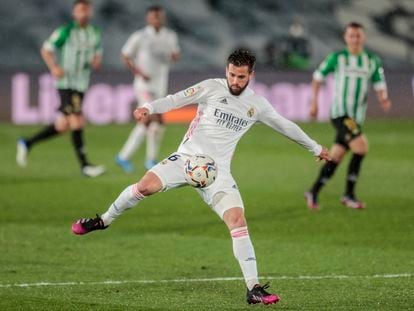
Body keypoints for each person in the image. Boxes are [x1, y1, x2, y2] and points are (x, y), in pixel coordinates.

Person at [72, 49, 330, 305]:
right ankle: (103, 220)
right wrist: (149, 107)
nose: (235, 82)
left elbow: (285, 125)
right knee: (144, 186)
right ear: (226, 71)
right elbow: (175, 100)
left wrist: (316, 148)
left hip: (217, 172)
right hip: (186, 159)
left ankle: (253, 288)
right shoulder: (211, 88)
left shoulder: (257, 105)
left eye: (241, 77)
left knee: (238, 221)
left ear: (251, 74)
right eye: (231, 75)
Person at [304, 22, 392, 210]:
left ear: (363, 37)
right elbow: (318, 77)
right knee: (361, 147)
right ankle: (349, 195)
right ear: (345, 38)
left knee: (336, 156)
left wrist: (383, 97)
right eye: (351, 35)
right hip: (340, 114)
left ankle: (313, 191)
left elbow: (379, 81)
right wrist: (314, 102)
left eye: (358, 35)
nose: (354, 39)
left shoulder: (371, 59)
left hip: (356, 117)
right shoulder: (337, 58)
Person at [16, 0, 105, 177]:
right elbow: (46, 49)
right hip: (66, 83)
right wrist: (54, 67)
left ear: (90, 13)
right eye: (80, 10)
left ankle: (27, 143)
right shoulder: (66, 31)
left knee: (63, 125)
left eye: (86, 10)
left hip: (81, 83)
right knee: (77, 121)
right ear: (74, 13)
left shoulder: (95, 33)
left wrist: (96, 62)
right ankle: (85, 166)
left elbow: (97, 55)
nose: (83, 14)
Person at [115, 5, 180, 173]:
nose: (156, 19)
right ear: (148, 18)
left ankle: (124, 157)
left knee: (149, 124)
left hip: (160, 85)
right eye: (153, 17)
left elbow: (175, 56)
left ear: (163, 18)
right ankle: (149, 160)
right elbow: (125, 55)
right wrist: (139, 72)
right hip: (144, 85)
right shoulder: (140, 36)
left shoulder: (170, 36)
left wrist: (174, 57)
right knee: (154, 120)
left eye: (159, 16)